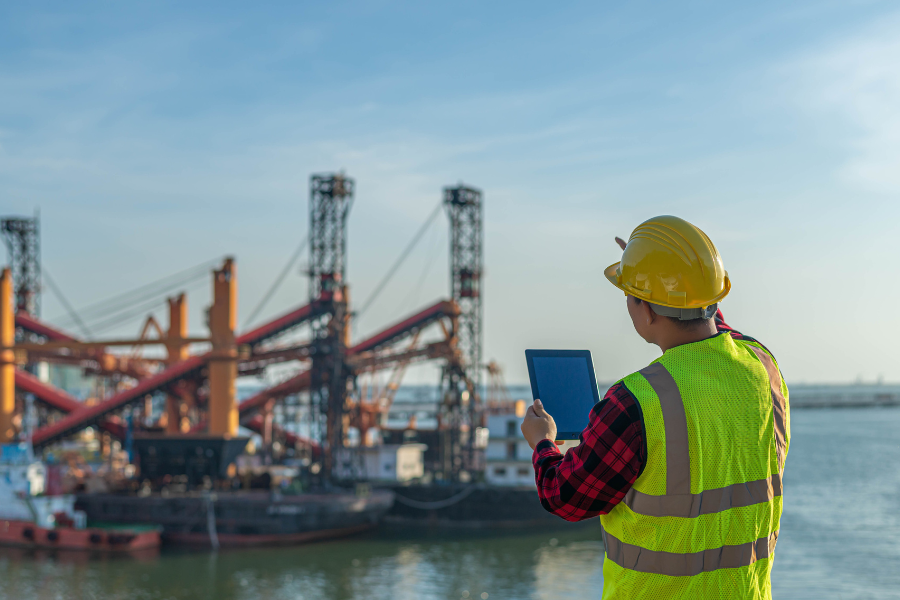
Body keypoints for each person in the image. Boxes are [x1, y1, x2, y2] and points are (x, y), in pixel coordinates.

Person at [521, 215, 789, 600]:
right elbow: (712, 321)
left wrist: (543, 443)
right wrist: (661, 272)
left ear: (645, 310)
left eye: (629, 295)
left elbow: (565, 495)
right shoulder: (764, 366)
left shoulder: (635, 402)